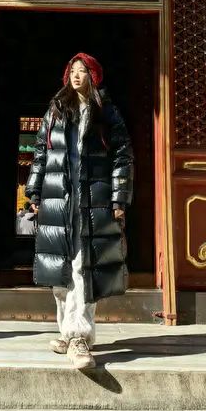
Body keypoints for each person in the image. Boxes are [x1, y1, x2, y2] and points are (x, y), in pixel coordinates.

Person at [25, 52, 133, 369]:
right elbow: (41, 153)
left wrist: (118, 199)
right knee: (60, 274)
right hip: (59, 200)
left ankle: (79, 337)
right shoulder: (56, 111)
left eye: (82, 70)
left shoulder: (105, 112)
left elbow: (122, 158)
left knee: (83, 267)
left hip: (93, 201)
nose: (76, 75)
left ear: (93, 76)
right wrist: (34, 189)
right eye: (72, 70)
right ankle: (68, 331)